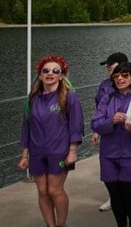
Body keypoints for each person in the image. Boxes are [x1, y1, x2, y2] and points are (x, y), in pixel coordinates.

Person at [19, 55, 84, 227]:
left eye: (55, 71)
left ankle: (62, 224)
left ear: (61, 75)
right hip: (37, 152)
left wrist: (72, 151)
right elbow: (26, 127)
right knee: (42, 191)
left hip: (59, 152)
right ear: (40, 75)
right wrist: (25, 155)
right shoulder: (32, 98)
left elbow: (76, 125)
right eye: (45, 71)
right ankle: (50, 225)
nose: (50, 74)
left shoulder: (69, 97)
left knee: (54, 190)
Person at [92, 62, 131, 227]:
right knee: (114, 193)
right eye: (116, 76)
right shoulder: (107, 97)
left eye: (125, 75)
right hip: (108, 154)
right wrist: (112, 120)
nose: (120, 79)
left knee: (129, 192)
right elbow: (96, 124)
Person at [94, 51, 128, 211]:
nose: (108, 69)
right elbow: (98, 109)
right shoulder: (104, 85)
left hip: (127, 134)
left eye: (111, 66)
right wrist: (96, 130)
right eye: (107, 67)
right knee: (110, 172)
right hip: (108, 131)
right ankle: (113, 197)